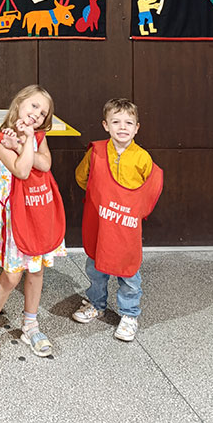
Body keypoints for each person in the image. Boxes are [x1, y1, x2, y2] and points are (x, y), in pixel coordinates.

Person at [0, 85, 66, 362]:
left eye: (43, 113)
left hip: (37, 215)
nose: (37, 114)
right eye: (34, 106)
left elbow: (45, 164)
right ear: (19, 104)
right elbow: (23, 169)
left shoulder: (38, 137)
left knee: (36, 271)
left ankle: (30, 324)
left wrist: (24, 142)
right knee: (12, 276)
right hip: (14, 221)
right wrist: (22, 143)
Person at [72, 98, 163, 341]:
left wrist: (133, 209)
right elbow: (82, 177)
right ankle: (96, 304)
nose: (122, 127)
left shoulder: (142, 158)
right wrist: (101, 199)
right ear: (105, 125)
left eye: (128, 123)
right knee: (95, 266)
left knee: (128, 272)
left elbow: (151, 188)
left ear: (137, 128)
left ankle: (129, 314)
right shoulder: (96, 152)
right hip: (102, 222)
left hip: (126, 226)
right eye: (116, 122)